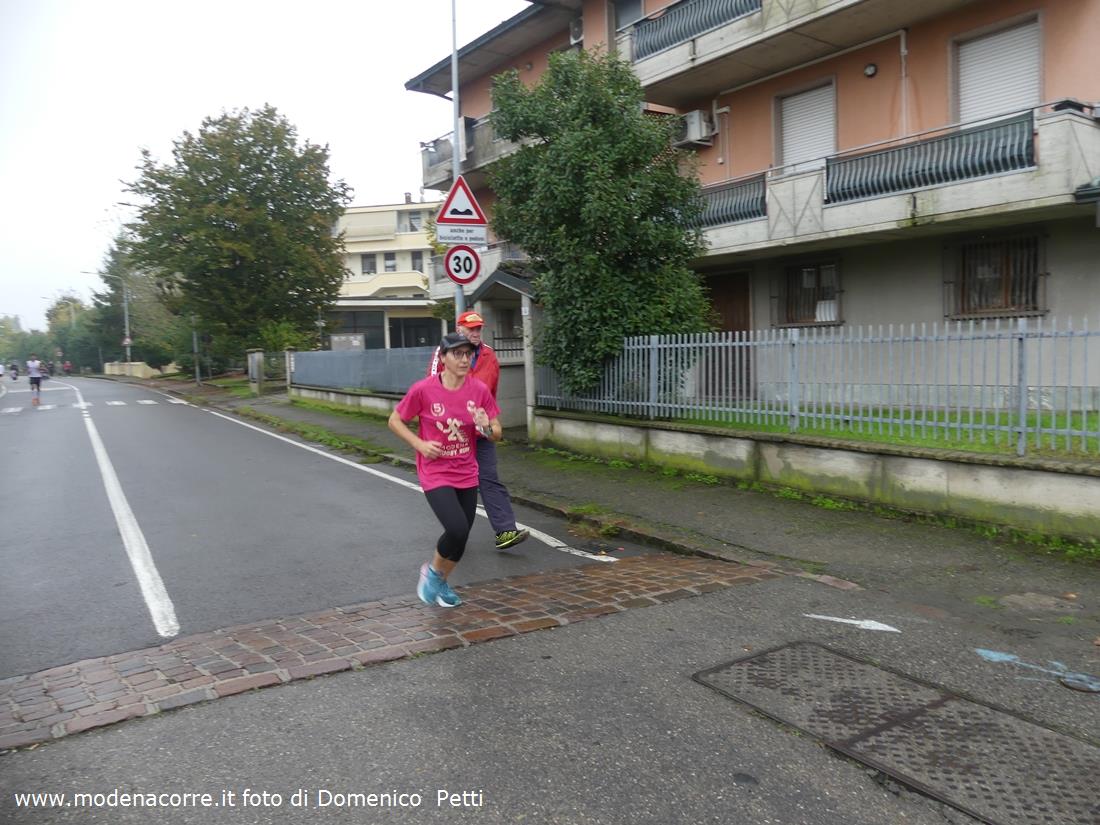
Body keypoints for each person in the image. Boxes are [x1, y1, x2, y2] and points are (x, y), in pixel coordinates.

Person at [390, 332, 503, 608]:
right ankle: (432, 574)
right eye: (457, 354)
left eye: (468, 354)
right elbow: (394, 420)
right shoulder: (423, 390)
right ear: (443, 358)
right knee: (456, 528)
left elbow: (497, 433)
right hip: (435, 471)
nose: (464, 359)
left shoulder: (479, 390)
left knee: (461, 538)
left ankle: (440, 581)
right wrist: (419, 444)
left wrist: (485, 427)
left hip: (466, 470)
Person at [426, 310, 528, 551]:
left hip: (481, 430)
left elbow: (491, 391)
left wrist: (489, 420)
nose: (475, 332)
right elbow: (432, 388)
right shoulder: (443, 353)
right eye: (470, 328)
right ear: (458, 328)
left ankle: (505, 530)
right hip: (453, 433)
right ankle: (457, 529)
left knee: (489, 478)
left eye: (478, 328)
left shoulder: (489, 355)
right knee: (456, 482)